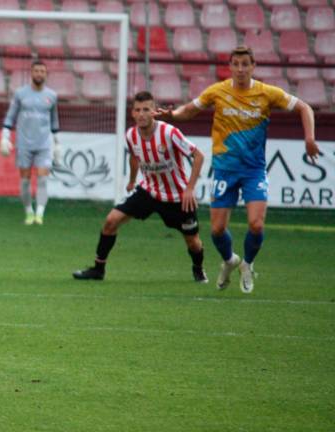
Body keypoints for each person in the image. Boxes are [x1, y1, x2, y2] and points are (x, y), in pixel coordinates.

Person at [156, 45, 319, 293]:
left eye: (245, 64)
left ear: (253, 66)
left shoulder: (267, 93)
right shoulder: (217, 91)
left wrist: (309, 138)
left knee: (256, 224)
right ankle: (230, 260)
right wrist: (172, 114)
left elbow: (304, 108)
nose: (241, 69)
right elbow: (190, 110)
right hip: (224, 170)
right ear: (230, 66)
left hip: (254, 171)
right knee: (217, 229)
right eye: (236, 64)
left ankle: (247, 264)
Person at [73, 91, 208, 283]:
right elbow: (135, 157)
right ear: (133, 113)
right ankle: (98, 269)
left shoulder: (169, 133)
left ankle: (198, 268)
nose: (142, 114)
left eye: (146, 109)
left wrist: (189, 189)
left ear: (154, 111)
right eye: (138, 110)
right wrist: (132, 180)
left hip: (177, 197)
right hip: (149, 191)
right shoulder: (131, 135)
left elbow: (199, 156)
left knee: (193, 242)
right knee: (111, 221)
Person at [0, 60, 61, 225]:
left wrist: (57, 143)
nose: (39, 74)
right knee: (25, 180)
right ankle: (28, 212)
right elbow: (10, 116)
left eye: (42, 71)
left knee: (42, 179)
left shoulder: (52, 96)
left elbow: (54, 120)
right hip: (24, 143)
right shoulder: (20, 94)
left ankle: (39, 214)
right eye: (36, 71)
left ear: (46, 74)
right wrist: (5, 136)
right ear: (31, 73)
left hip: (44, 144)